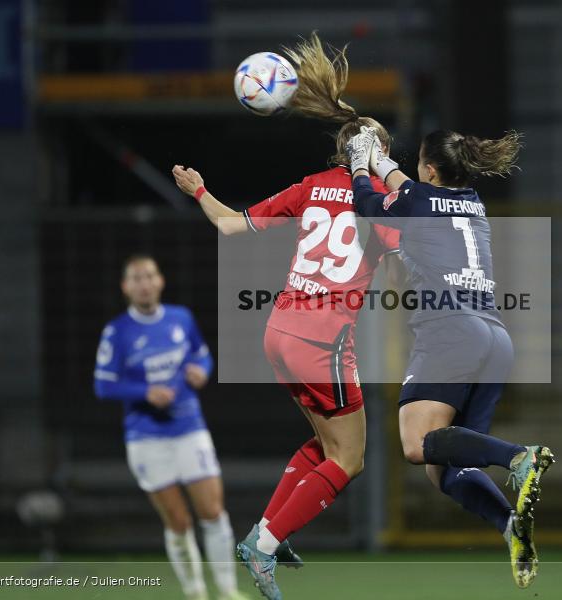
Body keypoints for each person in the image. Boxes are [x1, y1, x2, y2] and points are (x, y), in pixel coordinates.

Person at [171, 33, 400, 600]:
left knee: (324, 445)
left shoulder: (313, 186)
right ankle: (266, 542)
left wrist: (200, 189)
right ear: (376, 157)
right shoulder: (385, 204)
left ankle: (268, 530)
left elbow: (229, 226)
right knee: (350, 458)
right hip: (324, 341)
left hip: (279, 331)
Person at [345, 126, 555, 588]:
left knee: (417, 444)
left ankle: (520, 457)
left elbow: (367, 202)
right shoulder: (472, 201)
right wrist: (378, 158)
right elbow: (411, 188)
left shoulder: (419, 201)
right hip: (494, 339)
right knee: (447, 469)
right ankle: (509, 526)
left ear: (431, 169)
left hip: (450, 333)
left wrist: (361, 163)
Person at [93, 254, 249, 600]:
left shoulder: (181, 318)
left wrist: (202, 370)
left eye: (149, 275)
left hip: (189, 427)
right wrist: (144, 392)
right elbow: (103, 385)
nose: (144, 283)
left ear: (160, 280)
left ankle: (227, 591)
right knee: (178, 522)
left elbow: (202, 354)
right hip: (147, 437)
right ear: (125, 287)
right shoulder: (117, 332)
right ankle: (195, 592)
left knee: (212, 512)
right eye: (136, 278)